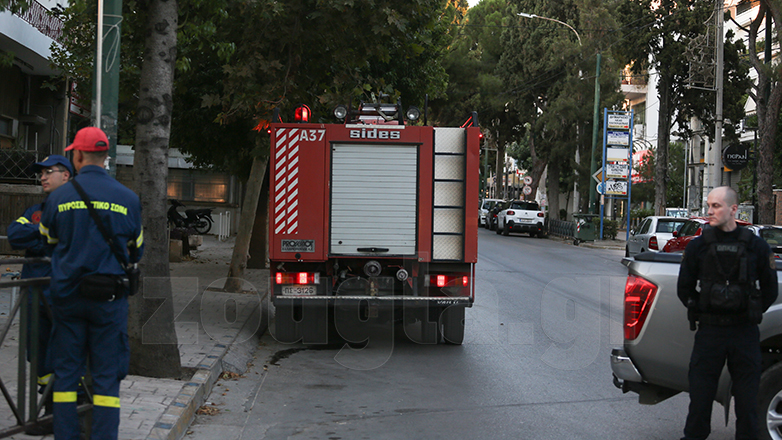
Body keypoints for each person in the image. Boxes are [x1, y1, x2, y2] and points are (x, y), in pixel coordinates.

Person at [39, 126, 144, 440]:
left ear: (79, 155)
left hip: (68, 298)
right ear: (105, 156)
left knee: (67, 374)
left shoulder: (59, 197)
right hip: (109, 300)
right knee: (106, 378)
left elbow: (48, 241)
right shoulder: (128, 198)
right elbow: (136, 247)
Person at [677, 186, 778, 440]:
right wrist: (703, 308)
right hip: (710, 333)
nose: (709, 211)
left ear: (734, 209)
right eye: (709, 205)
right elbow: (684, 288)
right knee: (699, 401)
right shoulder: (698, 246)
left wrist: (750, 311)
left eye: (716, 206)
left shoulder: (757, 247)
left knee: (747, 403)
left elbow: (769, 290)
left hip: (744, 333)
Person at [7, 155, 73, 434]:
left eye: (49, 172)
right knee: (37, 351)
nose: (43, 177)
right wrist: (45, 232)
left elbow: (71, 237)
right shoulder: (36, 210)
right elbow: (15, 235)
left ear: (66, 176)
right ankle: (48, 409)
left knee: (67, 352)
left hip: (64, 291)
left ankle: (65, 413)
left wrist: (40, 236)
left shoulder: (74, 209)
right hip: (34, 292)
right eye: (41, 173)